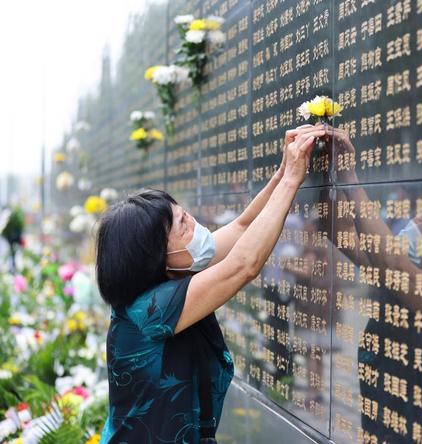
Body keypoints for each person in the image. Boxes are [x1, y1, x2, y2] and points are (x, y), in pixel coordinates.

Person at [96, 124, 327, 443]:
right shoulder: (149, 310)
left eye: (184, 213)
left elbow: (243, 226)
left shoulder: (177, 270)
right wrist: (291, 181)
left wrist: (284, 170)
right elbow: (243, 265)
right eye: (181, 225)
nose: (193, 222)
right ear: (155, 255)